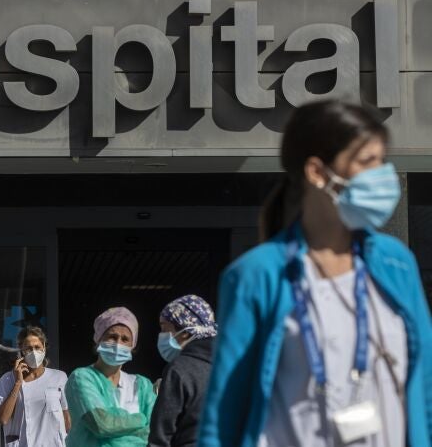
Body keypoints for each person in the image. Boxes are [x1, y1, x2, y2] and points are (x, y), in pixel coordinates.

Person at [198, 100, 432, 447]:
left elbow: (423, 388)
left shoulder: (396, 263)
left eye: (382, 162)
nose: (381, 175)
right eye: (367, 162)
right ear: (318, 173)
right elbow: (223, 416)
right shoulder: (256, 275)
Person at [64, 307, 156, 447]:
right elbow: (101, 425)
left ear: (133, 346)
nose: (118, 343)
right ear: (98, 340)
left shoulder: (142, 385)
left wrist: (117, 424)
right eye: (112, 337)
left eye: (125, 339)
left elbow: (155, 430)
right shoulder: (81, 378)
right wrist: (141, 419)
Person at [149, 295, 217, 447]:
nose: (161, 336)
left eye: (164, 328)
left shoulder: (180, 369)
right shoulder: (229, 366)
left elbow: (161, 436)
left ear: (185, 331)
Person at [0, 326, 70, 446]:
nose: (34, 352)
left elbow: (67, 419)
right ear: (21, 350)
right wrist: (18, 383)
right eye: (28, 349)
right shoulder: (6, 381)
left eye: (37, 347)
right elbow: (3, 418)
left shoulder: (59, 377)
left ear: (44, 348)